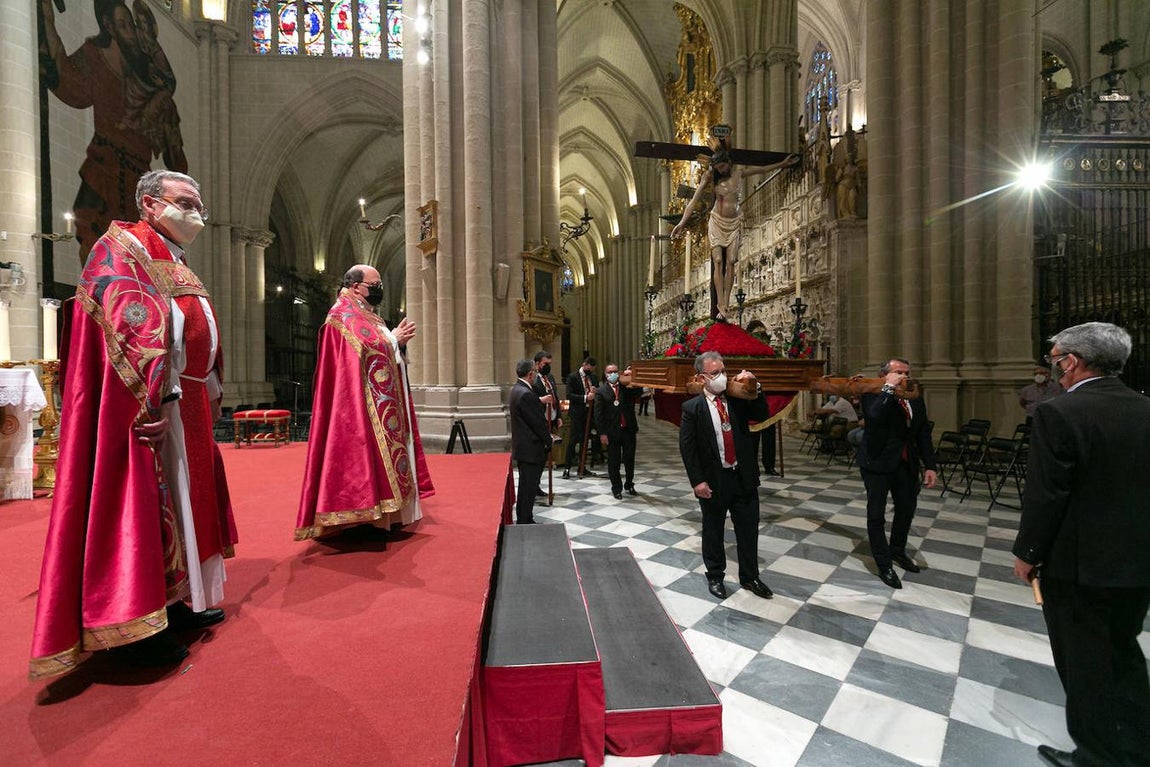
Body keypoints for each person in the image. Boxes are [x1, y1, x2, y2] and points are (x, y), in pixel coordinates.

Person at [30, 170, 236, 679]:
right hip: (143, 409)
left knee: (187, 504)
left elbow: (188, 324)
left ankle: (181, 603)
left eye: (199, 203)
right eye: (186, 202)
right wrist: (156, 401)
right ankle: (137, 626)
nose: (197, 212)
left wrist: (204, 380)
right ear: (150, 203)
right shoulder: (120, 249)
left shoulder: (169, 255)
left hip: (185, 401)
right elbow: (131, 327)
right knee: (143, 510)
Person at [1012, 322, 1150, 767]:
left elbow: (1047, 494)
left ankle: (1097, 757)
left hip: (1079, 564)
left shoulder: (1060, 413)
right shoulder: (1145, 408)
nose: (1053, 372)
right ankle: (1134, 747)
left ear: (1071, 361)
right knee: (1123, 653)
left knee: (1085, 664)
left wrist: (1028, 553)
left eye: (1055, 362)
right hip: (1136, 562)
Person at [39, 0, 189, 260]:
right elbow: (72, 88)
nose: (129, 31)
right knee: (92, 232)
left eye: (130, 24)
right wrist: (48, 24)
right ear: (108, 25)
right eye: (122, 24)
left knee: (141, 248)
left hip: (137, 175)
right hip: (102, 163)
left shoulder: (144, 71)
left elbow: (172, 143)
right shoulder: (94, 56)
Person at [294, 265, 434, 542]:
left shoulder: (367, 315)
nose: (378, 288)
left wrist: (396, 343)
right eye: (375, 283)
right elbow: (361, 352)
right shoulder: (341, 316)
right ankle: (365, 516)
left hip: (376, 403)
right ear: (357, 286)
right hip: (356, 408)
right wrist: (393, 339)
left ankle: (385, 516)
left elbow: (378, 345)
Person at [679, 351, 774, 601]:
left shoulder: (738, 400)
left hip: (742, 476)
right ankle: (715, 576)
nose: (721, 376)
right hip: (714, 479)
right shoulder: (693, 408)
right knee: (713, 529)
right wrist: (697, 481)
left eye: (723, 371)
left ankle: (751, 576)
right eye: (715, 373)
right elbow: (688, 449)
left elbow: (763, 414)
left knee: (748, 528)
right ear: (702, 377)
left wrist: (756, 385)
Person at [671, 146, 798, 320]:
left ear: (728, 163)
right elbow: (693, 201)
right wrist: (681, 223)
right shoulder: (711, 178)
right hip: (717, 221)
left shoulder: (738, 174)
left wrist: (782, 164)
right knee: (718, 260)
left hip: (734, 222)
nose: (721, 170)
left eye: (722, 167)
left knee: (731, 262)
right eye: (717, 168)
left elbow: (761, 169)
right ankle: (720, 303)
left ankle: (727, 303)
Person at [856, 358, 938, 589]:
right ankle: (884, 564)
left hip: (906, 463)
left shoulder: (914, 396)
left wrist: (930, 465)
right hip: (878, 462)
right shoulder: (872, 392)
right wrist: (888, 389)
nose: (904, 376)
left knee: (906, 509)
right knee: (876, 513)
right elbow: (875, 417)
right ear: (885, 375)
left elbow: (922, 432)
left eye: (907, 372)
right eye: (898, 372)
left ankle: (898, 551)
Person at [508, 359, 552, 524]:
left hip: (524, 447)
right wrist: (548, 439)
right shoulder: (526, 393)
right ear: (531, 373)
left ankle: (524, 516)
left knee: (527, 486)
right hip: (531, 448)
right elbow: (537, 422)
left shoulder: (517, 390)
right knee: (528, 487)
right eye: (534, 372)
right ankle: (525, 519)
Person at [594, 364, 641, 499]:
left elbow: (637, 391)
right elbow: (599, 415)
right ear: (605, 374)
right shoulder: (601, 391)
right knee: (614, 461)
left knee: (629, 458)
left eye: (615, 371)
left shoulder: (626, 388)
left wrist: (631, 374)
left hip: (628, 430)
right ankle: (616, 488)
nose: (613, 374)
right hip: (611, 432)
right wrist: (602, 433)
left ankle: (629, 484)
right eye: (610, 372)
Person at [530, 351, 561, 497]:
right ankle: (534, 485)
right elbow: (531, 400)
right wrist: (542, 399)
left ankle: (536, 484)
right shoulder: (533, 380)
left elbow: (556, 397)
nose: (548, 366)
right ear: (537, 364)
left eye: (550, 364)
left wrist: (558, 415)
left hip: (552, 418)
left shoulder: (551, 378)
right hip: (540, 420)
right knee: (539, 456)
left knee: (545, 455)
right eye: (545, 364)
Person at [563, 356, 599, 479]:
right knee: (573, 441)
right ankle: (567, 467)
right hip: (577, 413)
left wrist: (595, 391)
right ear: (585, 364)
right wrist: (585, 397)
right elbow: (569, 395)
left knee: (585, 441)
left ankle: (582, 466)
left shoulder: (593, 377)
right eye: (590, 368)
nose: (591, 371)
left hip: (589, 414)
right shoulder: (573, 377)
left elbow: (596, 393)